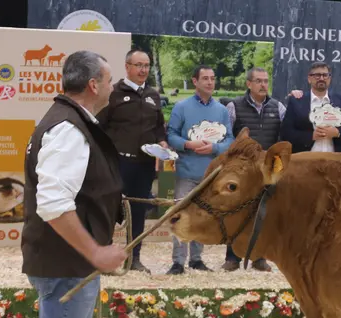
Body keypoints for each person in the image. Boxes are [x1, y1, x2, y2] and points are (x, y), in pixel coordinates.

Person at [18, 50, 127, 318]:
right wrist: (95, 252)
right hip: (66, 263)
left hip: (60, 259)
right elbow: (54, 204)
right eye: (109, 77)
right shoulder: (68, 127)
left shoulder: (66, 120)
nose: (114, 84)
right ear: (94, 85)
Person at [97, 48, 168, 274]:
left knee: (138, 212)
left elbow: (158, 127)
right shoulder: (113, 92)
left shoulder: (154, 95)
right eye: (138, 65)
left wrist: (163, 143)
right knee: (110, 210)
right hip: (118, 164)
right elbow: (99, 127)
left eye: (146, 65)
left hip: (145, 165)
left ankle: (133, 258)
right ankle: (104, 260)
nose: (143, 70)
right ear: (127, 67)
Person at [165, 65, 234, 275]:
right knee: (179, 215)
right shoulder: (181, 107)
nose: (210, 82)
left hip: (210, 176)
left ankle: (196, 259)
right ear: (195, 82)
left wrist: (215, 148)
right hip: (186, 172)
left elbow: (230, 139)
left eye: (213, 78)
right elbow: (171, 136)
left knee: (204, 216)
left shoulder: (222, 110)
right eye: (205, 78)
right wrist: (188, 144)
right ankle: (178, 262)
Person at [222, 67, 285, 272]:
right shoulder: (234, 106)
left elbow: (283, 137)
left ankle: (259, 257)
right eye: (258, 81)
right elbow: (227, 137)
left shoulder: (278, 107)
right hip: (242, 170)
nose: (263, 85)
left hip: (267, 169)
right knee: (236, 211)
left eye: (266, 81)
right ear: (249, 84)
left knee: (264, 213)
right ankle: (232, 258)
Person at [280, 62, 341, 154]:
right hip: (306, 160)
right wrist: (310, 136)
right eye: (317, 75)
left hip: (335, 161)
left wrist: (337, 132)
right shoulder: (296, 102)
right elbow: (286, 132)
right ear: (309, 78)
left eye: (325, 75)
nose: (321, 78)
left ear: (329, 78)